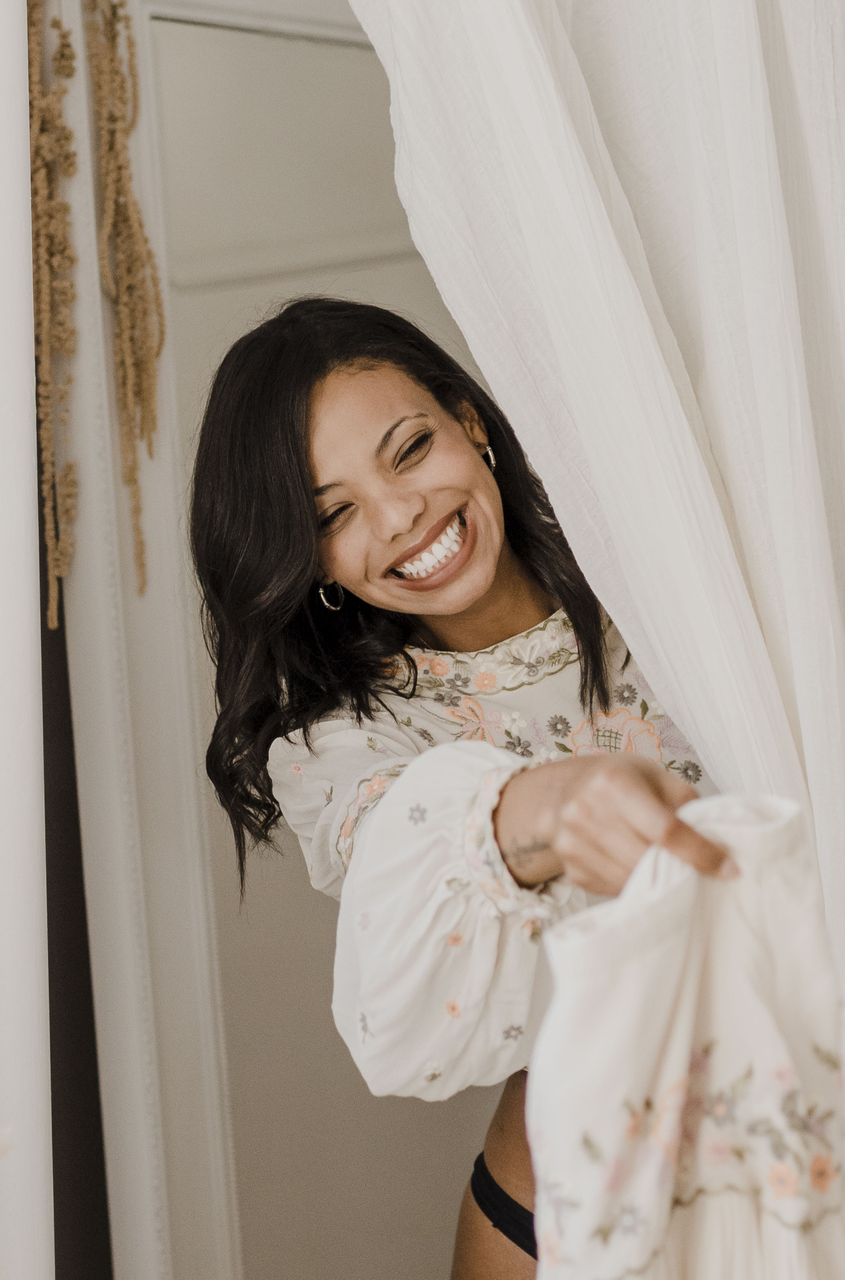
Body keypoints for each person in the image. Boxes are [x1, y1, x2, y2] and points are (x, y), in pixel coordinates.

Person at [189, 298, 733, 1279]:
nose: (401, 516)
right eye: (334, 513)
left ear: (468, 421)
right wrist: (541, 810)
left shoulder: (675, 572)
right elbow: (402, 873)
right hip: (564, 1220)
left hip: (823, 1137)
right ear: (309, 558)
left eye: (408, 449)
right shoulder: (345, 743)